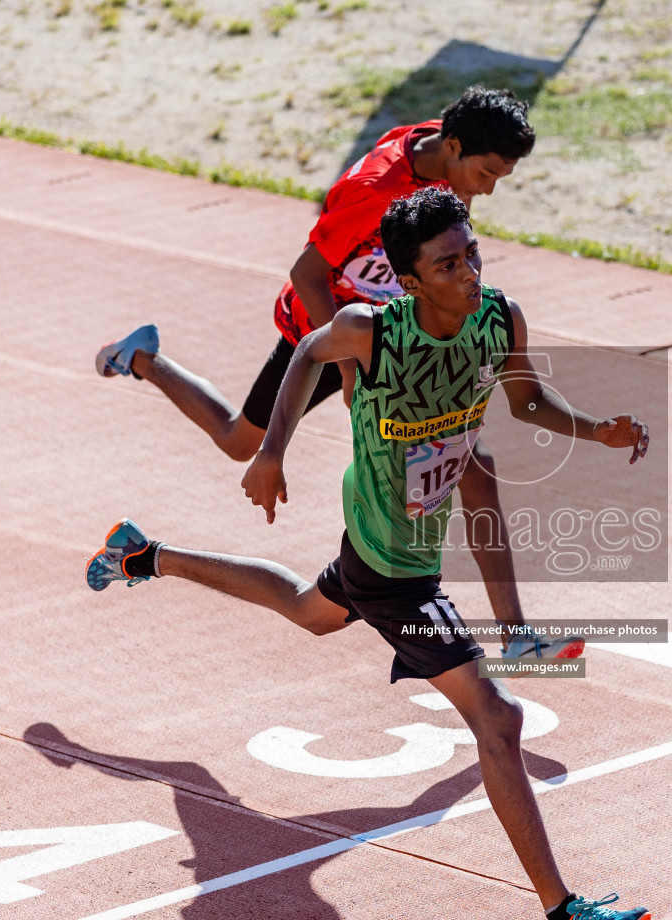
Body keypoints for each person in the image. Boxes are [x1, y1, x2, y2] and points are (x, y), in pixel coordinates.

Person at [86, 187, 653, 920]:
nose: (470, 272)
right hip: (395, 569)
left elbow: (524, 399)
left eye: (473, 253)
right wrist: (272, 452)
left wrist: (596, 430)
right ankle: (564, 919)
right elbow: (304, 356)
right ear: (410, 280)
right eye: (448, 264)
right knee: (500, 719)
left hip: (397, 548)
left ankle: (143, 554)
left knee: (308, 609)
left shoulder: (499, 319)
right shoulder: (369, 331)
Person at [94, 87, 574, 660]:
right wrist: (348, 366)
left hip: (396, 337)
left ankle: (511, 635)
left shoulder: (440, 155)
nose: (489, 188)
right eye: (487, 173)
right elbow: (306, 272)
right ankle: (142, 357)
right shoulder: (373, 191)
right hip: (328, 333)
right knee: (237, 441)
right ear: (453, 145)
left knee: (469, 469)